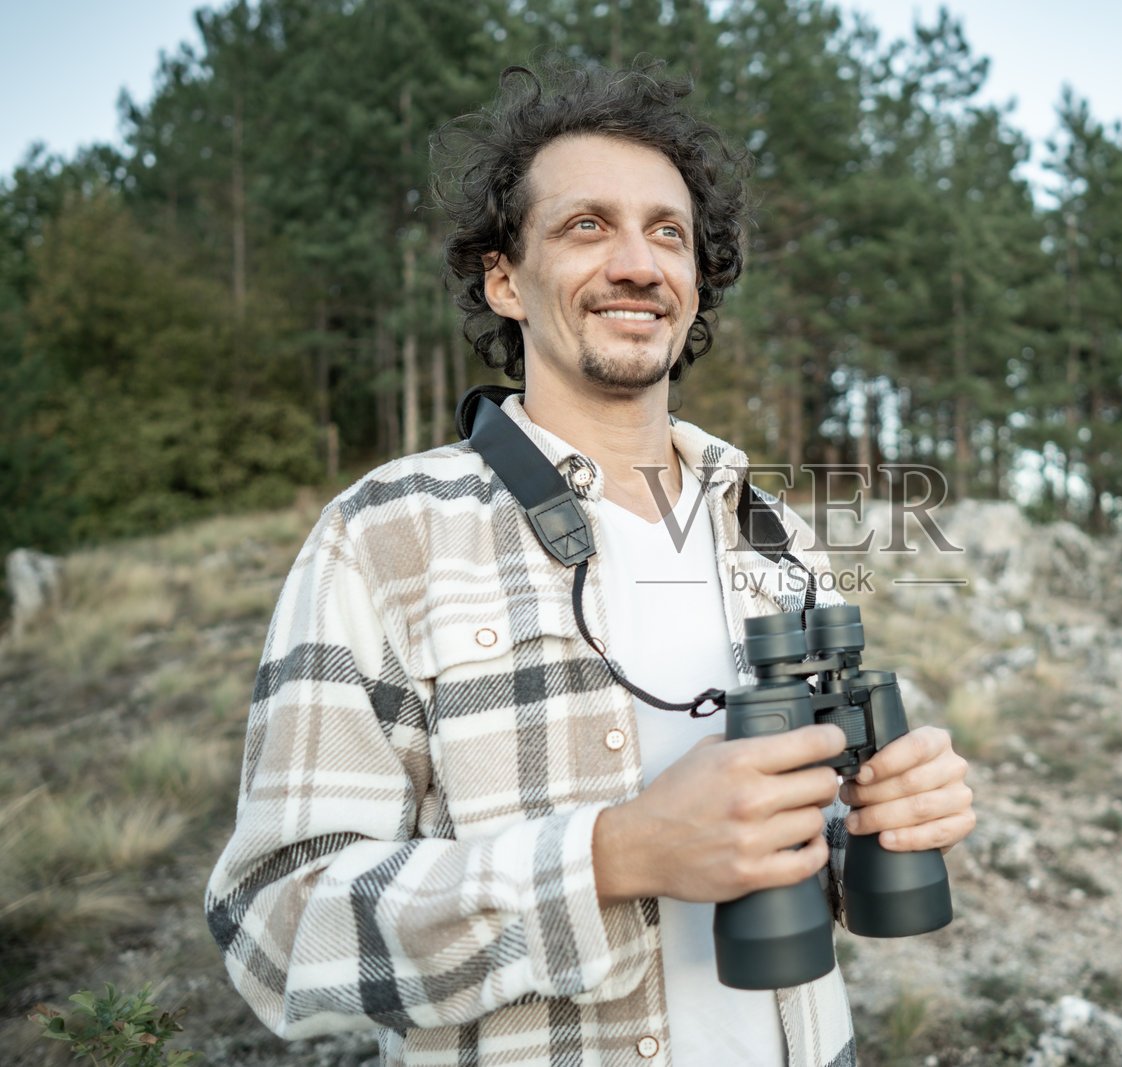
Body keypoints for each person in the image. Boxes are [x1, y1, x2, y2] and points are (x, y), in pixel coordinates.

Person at [206, 58, 975, 1067]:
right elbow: (274, 927)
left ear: (697, 284)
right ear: (501, 279)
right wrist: (613, 857)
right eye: (585, 226)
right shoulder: (383, 534)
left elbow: (798, 841)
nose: (639, 263)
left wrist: (880, 821)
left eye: (669, 232)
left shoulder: (771, 531)